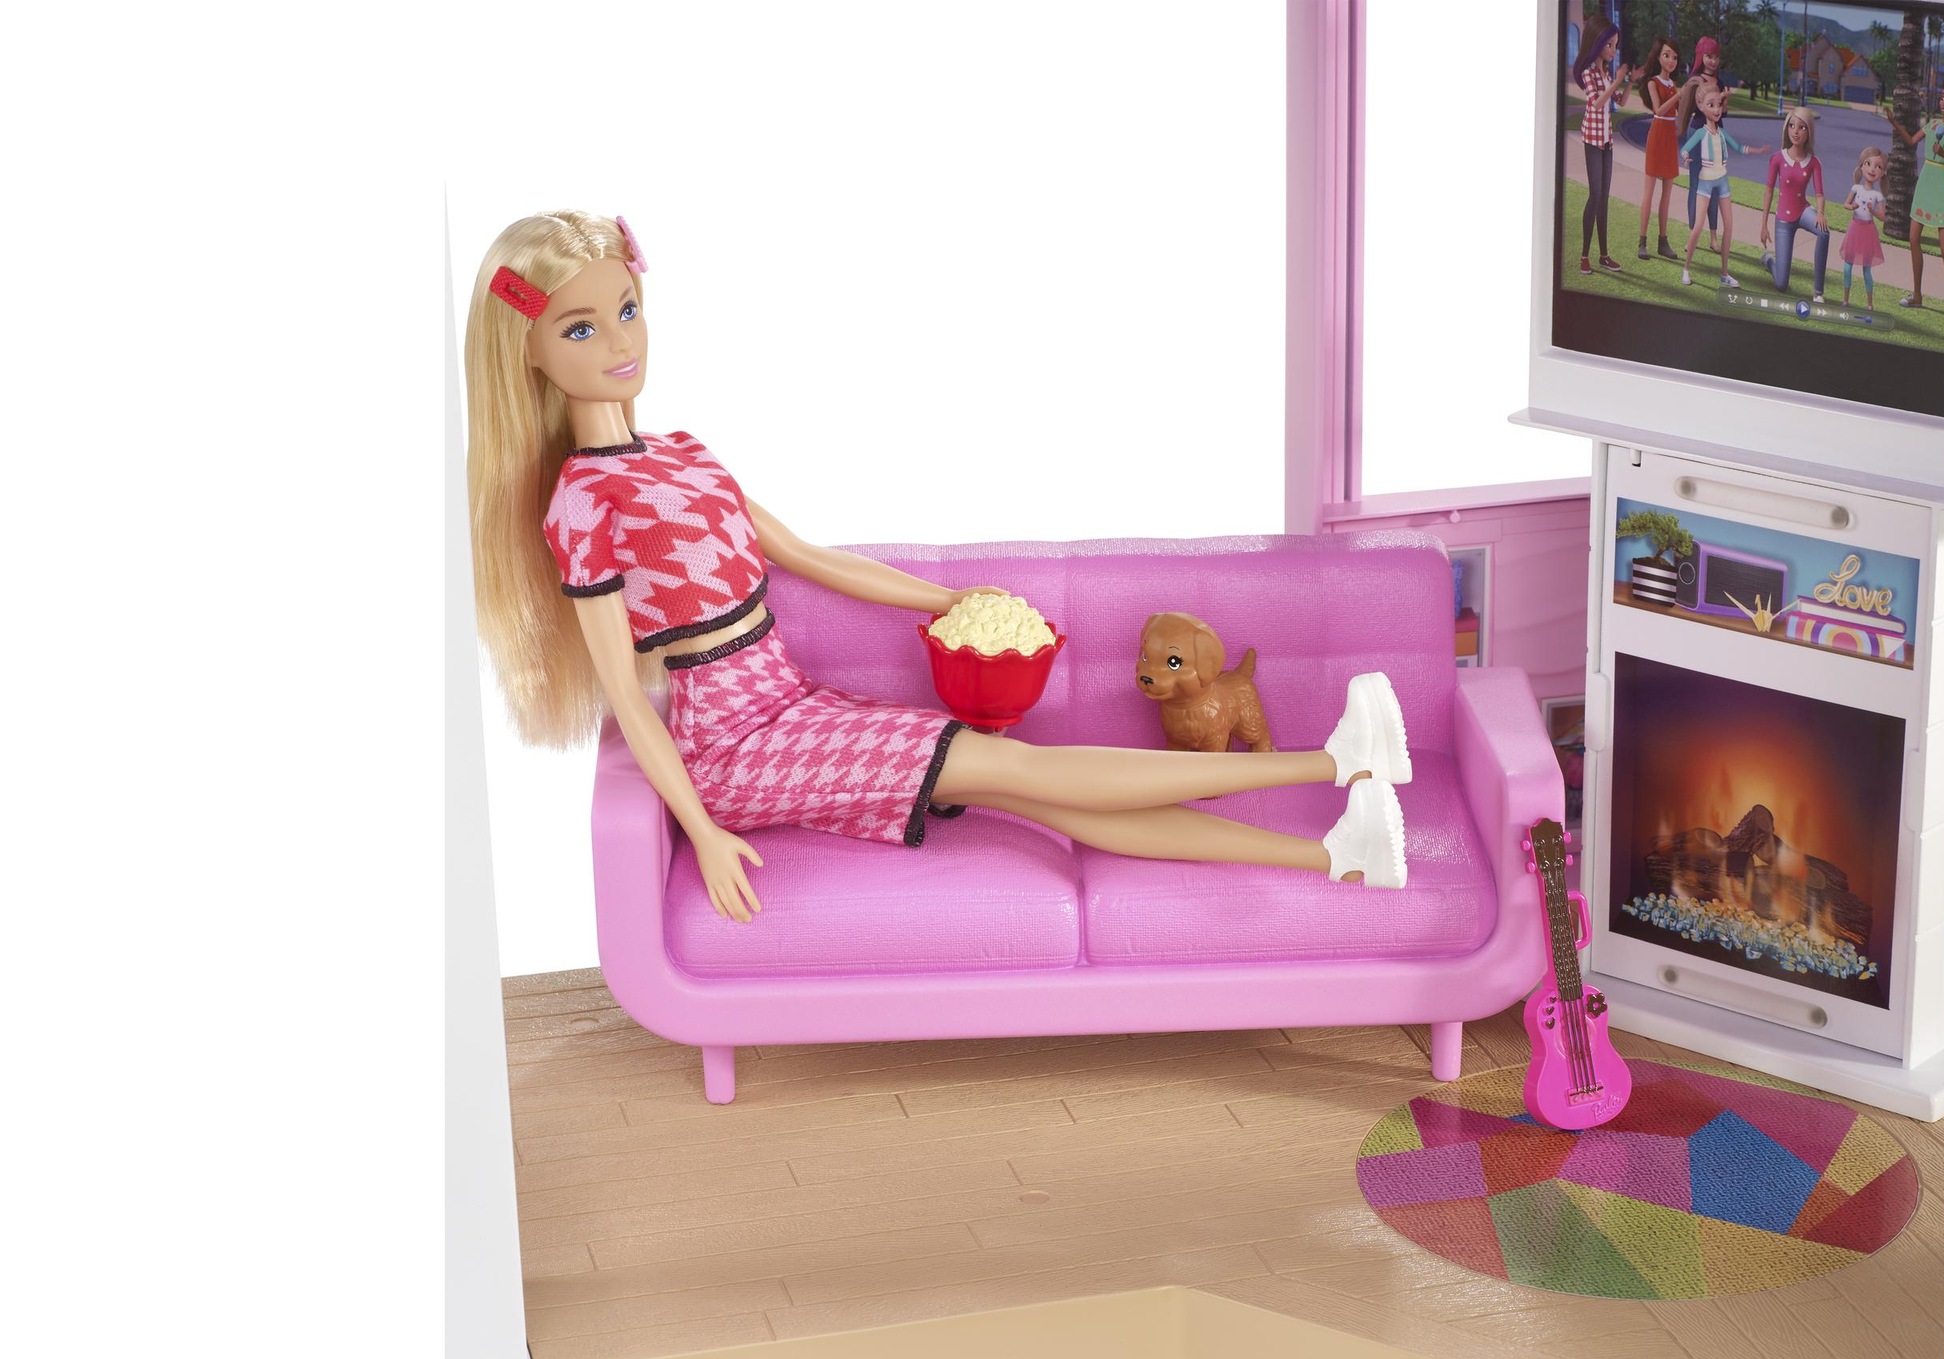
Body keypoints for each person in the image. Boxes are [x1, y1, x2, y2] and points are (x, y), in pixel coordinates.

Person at [465, 212, 1419, 921]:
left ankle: (1342, 856)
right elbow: (627, 699)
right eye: (581, 328)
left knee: (1035, 791)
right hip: (734, 751)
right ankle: (1338, 760)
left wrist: (950, 598)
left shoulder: (683, 453)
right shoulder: (583, 502)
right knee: (1022, 766)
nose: (620, 342)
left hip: (797, 710)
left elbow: (807, 557)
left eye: (628, 311)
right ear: (530, 356)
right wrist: (705, 831)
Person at [1677, 84, 1768, 289]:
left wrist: (1758, 150)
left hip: (1722, 181)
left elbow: (1739, 148)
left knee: (1729, 226)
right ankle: (1686, 269)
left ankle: (1725, 274)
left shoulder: (1721, 133)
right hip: (1706, 182)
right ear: (1700, 106)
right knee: (1698, 225)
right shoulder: (1701, 133)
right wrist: (1686, 157)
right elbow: (1685, 148)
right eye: (1711, 105)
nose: (1717, 109)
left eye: (1718, 104)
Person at [1571, 21, 1640, 274]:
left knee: (1604, 198)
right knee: (1595, 195)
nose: (1613, 50)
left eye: (1615, 45)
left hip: (1607, 141)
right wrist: (1618, 80)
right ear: (1597, 43)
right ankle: (1584, 256)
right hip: (1592, 139)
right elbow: (1597, 103)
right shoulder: (1589, 73)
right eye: (1609, 44)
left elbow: (1619, 102)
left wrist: (1629, 81)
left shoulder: (1607, 74)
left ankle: (1603, 255)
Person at [1885, 84, 1944, 315]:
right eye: (1943, 98)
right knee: (1913, 238)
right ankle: (1917, 295)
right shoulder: (1932, 124)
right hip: (1925, 183)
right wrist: (1894, 123)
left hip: (1942, 186)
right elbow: (1911, 140)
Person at [1759, 106, 1832, 301]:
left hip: (1803, 211)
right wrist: (1764, 225)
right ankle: (1769, 260)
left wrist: (1820, 212)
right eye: (1792, 126)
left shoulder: (1814, 162)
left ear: (1809, 132)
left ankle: (1818, 292)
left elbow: (1819, 193)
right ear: (1786, 128)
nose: (1796, 131)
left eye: (1802, 127)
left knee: (1824, 232)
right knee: (1781, 284)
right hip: (1783, 219)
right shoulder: (1777, 158)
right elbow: (1768, 191)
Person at [1673, 36, 1728, 255]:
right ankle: (1692, 235)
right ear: (1701, 56)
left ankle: (1713, 237)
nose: (1713, 61)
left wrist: (1724, 100)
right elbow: (1685, 108)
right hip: (1697, 133)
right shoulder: (1694, 80)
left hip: (1716, 134)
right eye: (1709, 56)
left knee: (1714, 186)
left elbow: (1722, 113)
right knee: (1696, 185)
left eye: (1716, 56)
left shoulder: (1720, 82)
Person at [1633, 36, 1682, 261]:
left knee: (1667, 194)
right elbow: (1659, 110)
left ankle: (1663, 241)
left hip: (1670, 139)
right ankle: (1642, 241)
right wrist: (1679, 95)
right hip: (1657, 136)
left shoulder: (1674, 86)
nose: (1671, 60)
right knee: (1649, 192)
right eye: (1667, 55)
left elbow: (1680, 112)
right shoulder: (1653, 82)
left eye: (1674, 57)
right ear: (1658, 57)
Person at [1840, 146, 1890, 308]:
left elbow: (1883, 217)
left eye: (1878, 166)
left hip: (1868, 232)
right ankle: (1845, 300)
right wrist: (1852, 207)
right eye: (1868, 164)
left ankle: (1870, 304)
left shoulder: (1878, 195)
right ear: (1861, 166)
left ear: (1883, 173)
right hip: (1854, 230)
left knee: (1866, 270)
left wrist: (1872, 211)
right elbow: (1846, 204)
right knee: (1847, 267)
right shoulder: (1856, 188)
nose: (1872, 169)